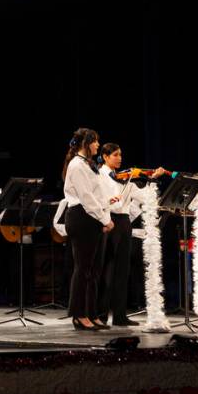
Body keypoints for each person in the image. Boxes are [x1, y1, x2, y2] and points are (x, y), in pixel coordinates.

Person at [96, 144, 166, 326]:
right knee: (107, 269)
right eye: (115, 155)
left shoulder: (128, 179)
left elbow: (144, 197)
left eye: (121, 155)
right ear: (104, 156)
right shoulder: (100, 175)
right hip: (108, 220)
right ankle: (101, 314)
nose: (119, 158)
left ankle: (119, 315)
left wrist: (152, 180)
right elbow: (106, 200)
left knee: (122, 270)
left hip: (124, 223)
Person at [62, 128, 113, 331]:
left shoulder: (89, 164)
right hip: (81, 217)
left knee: (94, 270)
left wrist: (105, 217)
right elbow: (85, 197)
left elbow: (99, 194)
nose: (98, 145)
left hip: (93, 218)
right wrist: (104, 219)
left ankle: (92, 312)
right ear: (86, 143)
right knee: (82, 269)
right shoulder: (76, 165)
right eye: (95, 142)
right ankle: (78, 314)